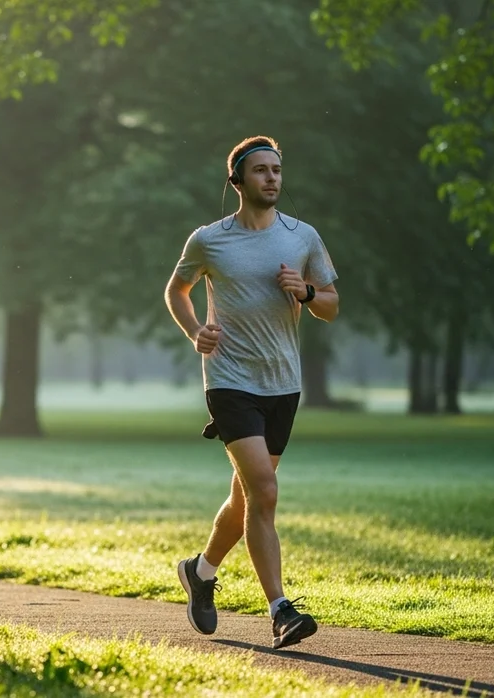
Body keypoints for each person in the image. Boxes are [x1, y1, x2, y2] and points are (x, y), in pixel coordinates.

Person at [164, 135, 339, 649]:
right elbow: (177, 290)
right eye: (261, 170)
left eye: (277, 170)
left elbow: (331, 304)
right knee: (263, 491)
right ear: (237, 181)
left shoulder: (303, 237)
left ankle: (201, 570)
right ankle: (281, 609)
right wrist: (195, 330)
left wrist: (305, 292)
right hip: (228, 379)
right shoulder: (208, 240)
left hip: (282, 385)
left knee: (247, 497)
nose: (272, 178)